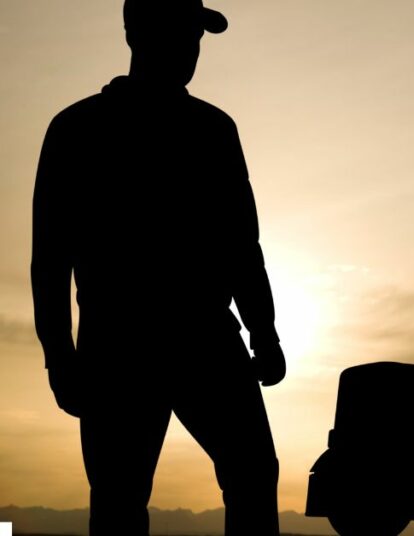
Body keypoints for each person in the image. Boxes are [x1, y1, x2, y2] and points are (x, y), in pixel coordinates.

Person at [31, 1, 285, 534]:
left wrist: (264, 333)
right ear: (137, 35)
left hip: (183, 340)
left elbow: (242, 243)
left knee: (248, 474)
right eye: (182, 33)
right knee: (126, 497)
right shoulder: (81, 129)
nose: (191, 49)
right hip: (133, 344)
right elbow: (50, 257)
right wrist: (59, 355)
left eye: (195, 36)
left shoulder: (209, 129)